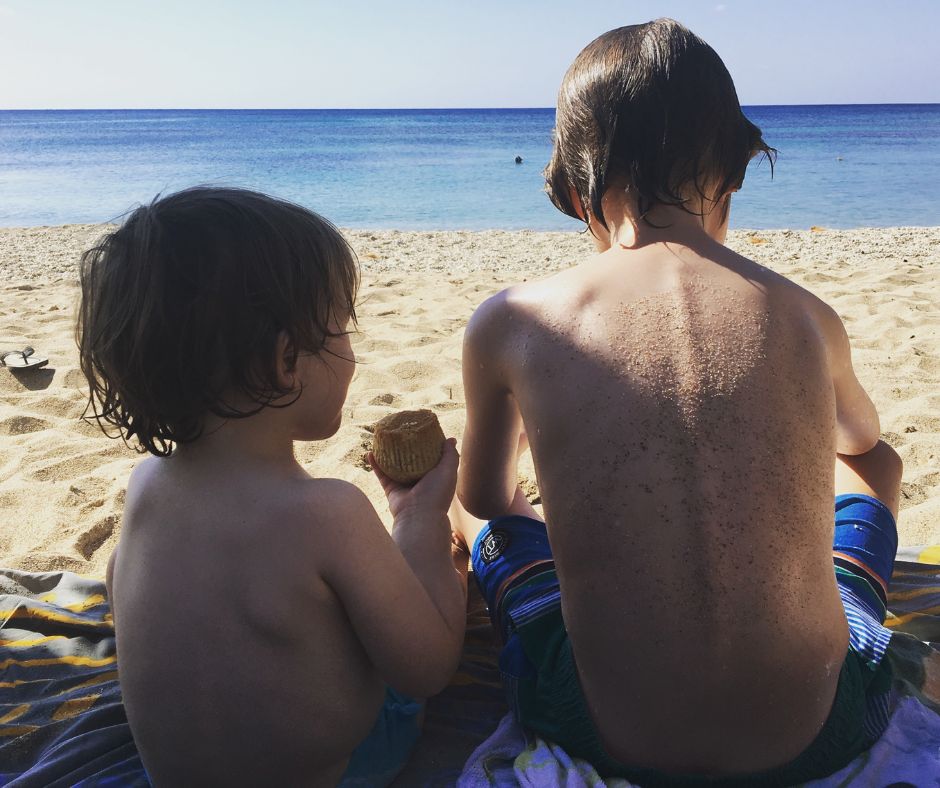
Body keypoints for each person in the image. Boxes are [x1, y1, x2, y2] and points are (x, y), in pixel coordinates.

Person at [453, 18, 903, 785]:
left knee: (475, 518)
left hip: (611, 731)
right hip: (819, 727)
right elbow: (861, 440)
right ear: (734, 174)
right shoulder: (802, 313)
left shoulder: (512, 322)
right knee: (877, 470)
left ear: (570, 190)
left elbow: (488, 496)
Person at [77, 187, 466, 786]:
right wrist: (420, 521)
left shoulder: (146, 485)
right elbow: (428, 668)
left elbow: (122, 586)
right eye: (341, 330)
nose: (352, 352)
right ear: (287, 358)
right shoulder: (327, 513)